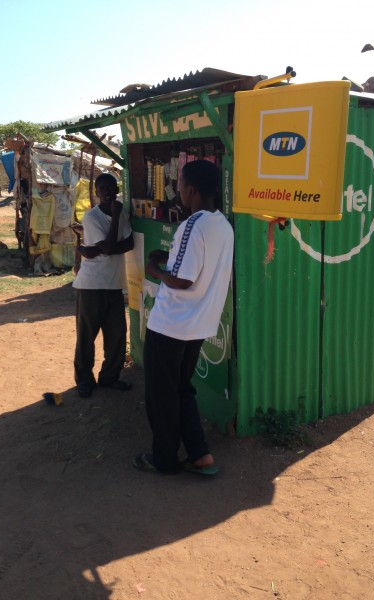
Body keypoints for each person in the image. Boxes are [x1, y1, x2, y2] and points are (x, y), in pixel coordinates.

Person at [133, 160, 234, 476]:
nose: (178, 190)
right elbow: (195, 267)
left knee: (161, 395)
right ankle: (199, 453)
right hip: (198, 325)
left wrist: (153, 271)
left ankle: (164, 459)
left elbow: (184, 280)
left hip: (171, 323)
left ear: (191, 189)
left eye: (180, 184)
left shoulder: (193, 224)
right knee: (181, 389)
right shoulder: (223, 226)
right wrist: (169, 259)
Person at [72, 173, 134, 398]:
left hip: (114, 285)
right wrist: (115, 219)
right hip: (91, 285)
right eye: (102, 189)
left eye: (111, 188)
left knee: (117, 335)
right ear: (97, 192)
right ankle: (85, 379)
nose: (107, 192)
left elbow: (128, 243)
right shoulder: (91, 217)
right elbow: (110, 247)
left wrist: (95, 249)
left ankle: (109, 377)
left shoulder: (122, 212)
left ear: (117, 190)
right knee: (87, 336)